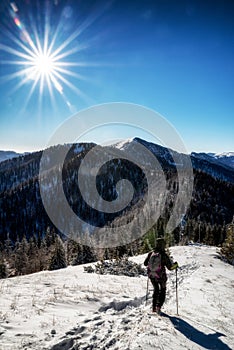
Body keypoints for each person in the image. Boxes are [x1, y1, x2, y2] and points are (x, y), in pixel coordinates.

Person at [144, 237, 178, 314]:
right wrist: (175, 265)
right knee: (162, 290)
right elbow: (170, 267)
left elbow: (145, 263)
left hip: (152, 275)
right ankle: (158, 307)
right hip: (161, 276)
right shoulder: (163, 255)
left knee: (156, 289)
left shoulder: (151, 253)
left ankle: (153, 308)